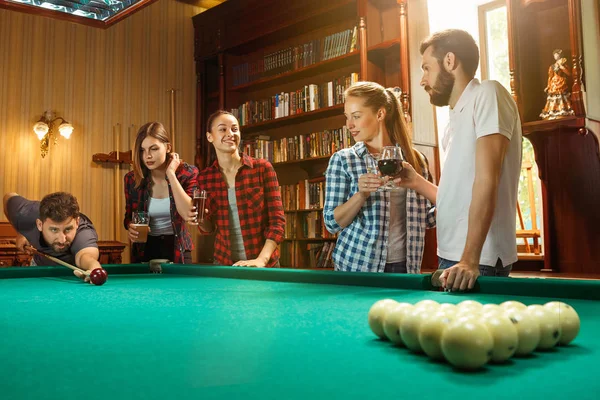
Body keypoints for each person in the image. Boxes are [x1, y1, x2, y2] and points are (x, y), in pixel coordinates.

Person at [399, 29, 522, 291]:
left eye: (426, 68)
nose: (422, 80)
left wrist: (469, 259)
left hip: (479, 259)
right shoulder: (453, 120)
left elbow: (488, 179)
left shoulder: (488, 93)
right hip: (452, 256)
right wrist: (417, 182)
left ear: (450, 62)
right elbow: (456, 197)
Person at [323, 81, 436, 273]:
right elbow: (332, 223)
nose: (349, 125)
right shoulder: (344, 160)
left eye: (356, 116)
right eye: (347, 117)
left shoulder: (415, 160)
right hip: (357, 268)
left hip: (406, 267)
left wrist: (452, 199)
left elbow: (428, 219)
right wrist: (360, 195)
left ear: (380, 114)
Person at [196, 110, 285, 267]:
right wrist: (200, 218)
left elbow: (277, 222)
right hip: (224, 264)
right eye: (223, 129)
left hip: (264, 264)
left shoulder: (262, 168)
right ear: (210, 137)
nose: (230, 134)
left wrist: (261, 260)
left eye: (235, 129)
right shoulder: (205, 178)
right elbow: (208, 228)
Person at [124, 122, 199, 263]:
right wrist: (131, 227)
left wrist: (171, 174)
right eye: (142, 150)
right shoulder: (131, 179)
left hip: (178, 248)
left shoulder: (187, 173)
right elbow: (128, 217)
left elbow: (188, 213)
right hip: (144, 249)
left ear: (168, 147)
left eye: (154, 149)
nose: (148, 156)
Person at [3, 191, 100, 282]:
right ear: (40, 225)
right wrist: (20, 232)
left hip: (73, 276)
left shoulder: (84, 232)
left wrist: (94, 268)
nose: (62, 240)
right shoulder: (25, 213)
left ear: (77, 222)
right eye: (54, 230)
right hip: (39, 266)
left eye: (68, 229)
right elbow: (8, 197)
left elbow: (85, 256)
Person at [540, 49, 574, 120]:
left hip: (561, 82)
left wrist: (562, 67)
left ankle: (563, 110)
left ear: (560, 55)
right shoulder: (552, 66)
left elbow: (569, 73)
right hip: (554, 83)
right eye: (554, 55)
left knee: (562, 96)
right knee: (553, 97)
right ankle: (553, 111)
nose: (555, 56)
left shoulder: (563, 63)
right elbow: (550, 77)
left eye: (556, 54)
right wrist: (548, 86)